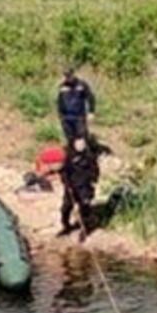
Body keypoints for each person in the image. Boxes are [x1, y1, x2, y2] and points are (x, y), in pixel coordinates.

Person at [55, 68, 100, 238]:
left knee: (84, 204)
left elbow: (91, 98)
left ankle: (85, 229)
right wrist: (65, 181)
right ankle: (65, 226)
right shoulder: (62, 88)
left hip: (79, 117)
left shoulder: (81, 85)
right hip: (67, 119)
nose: (68, 78)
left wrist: (91, 112)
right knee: (66, 207)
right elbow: (63, 170)